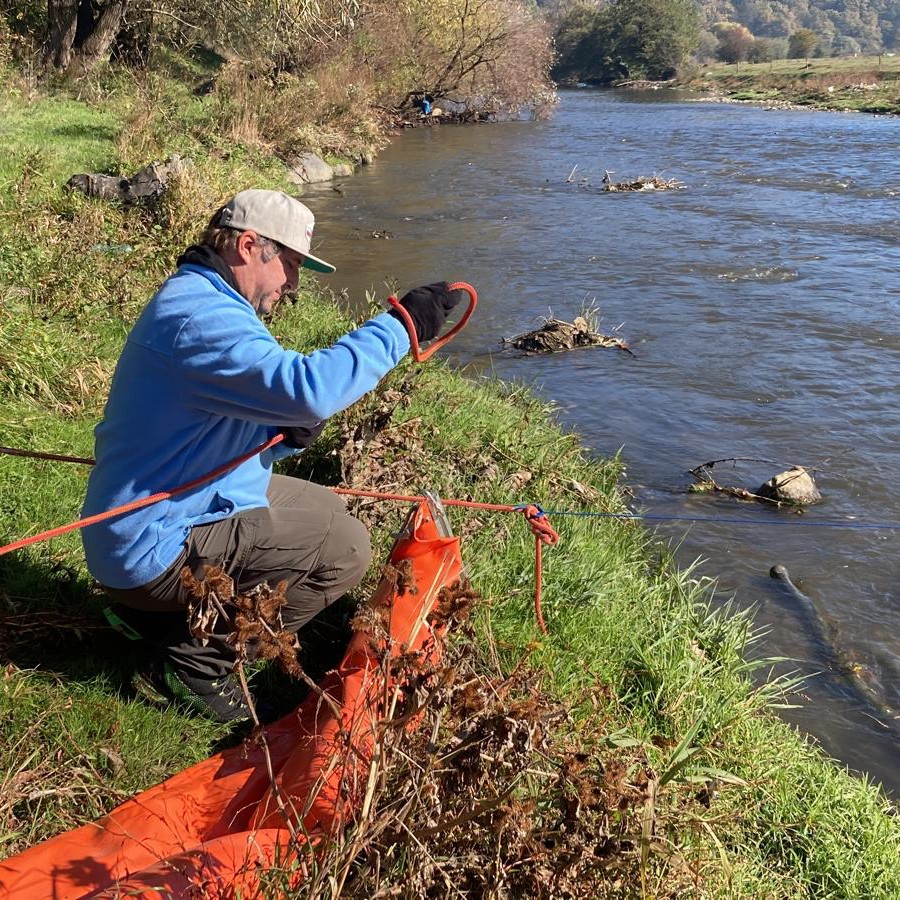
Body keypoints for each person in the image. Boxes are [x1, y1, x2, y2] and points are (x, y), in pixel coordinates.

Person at [81, 188, 463, 722]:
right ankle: (196, 661)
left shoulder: (201, 298)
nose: (294, 283)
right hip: (147, 549)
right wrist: (402, 326)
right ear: (248, 245)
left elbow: (210, 423)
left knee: (329, 512)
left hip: (161, 515)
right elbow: (308, 388)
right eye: (289, 263)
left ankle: (160, 622)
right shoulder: (203, 317)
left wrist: (278, 435)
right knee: (346, 548)